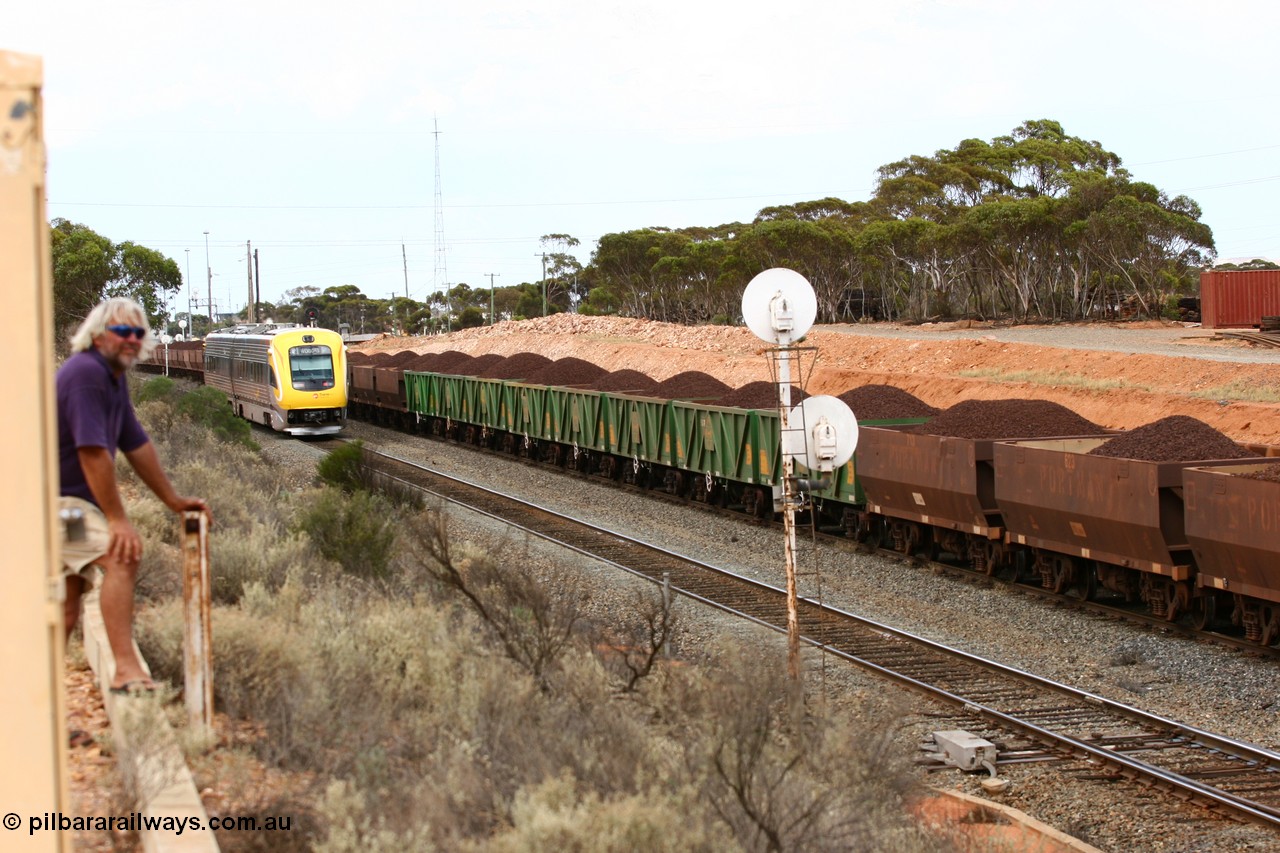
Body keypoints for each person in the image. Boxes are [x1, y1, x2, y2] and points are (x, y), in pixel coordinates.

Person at [57, 297, 211, 696]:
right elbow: (91, 452)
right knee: (121, 553)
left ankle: (43, 710)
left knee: (67, 602)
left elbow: (135, 443)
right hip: (59, 507)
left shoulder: (111, 376)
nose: (131, 339)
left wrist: (173, 500)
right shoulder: (87, 373)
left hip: (70, 506)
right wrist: (116, 519)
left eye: (138, 333)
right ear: (97, 334)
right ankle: (126, 670)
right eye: (122, 331)